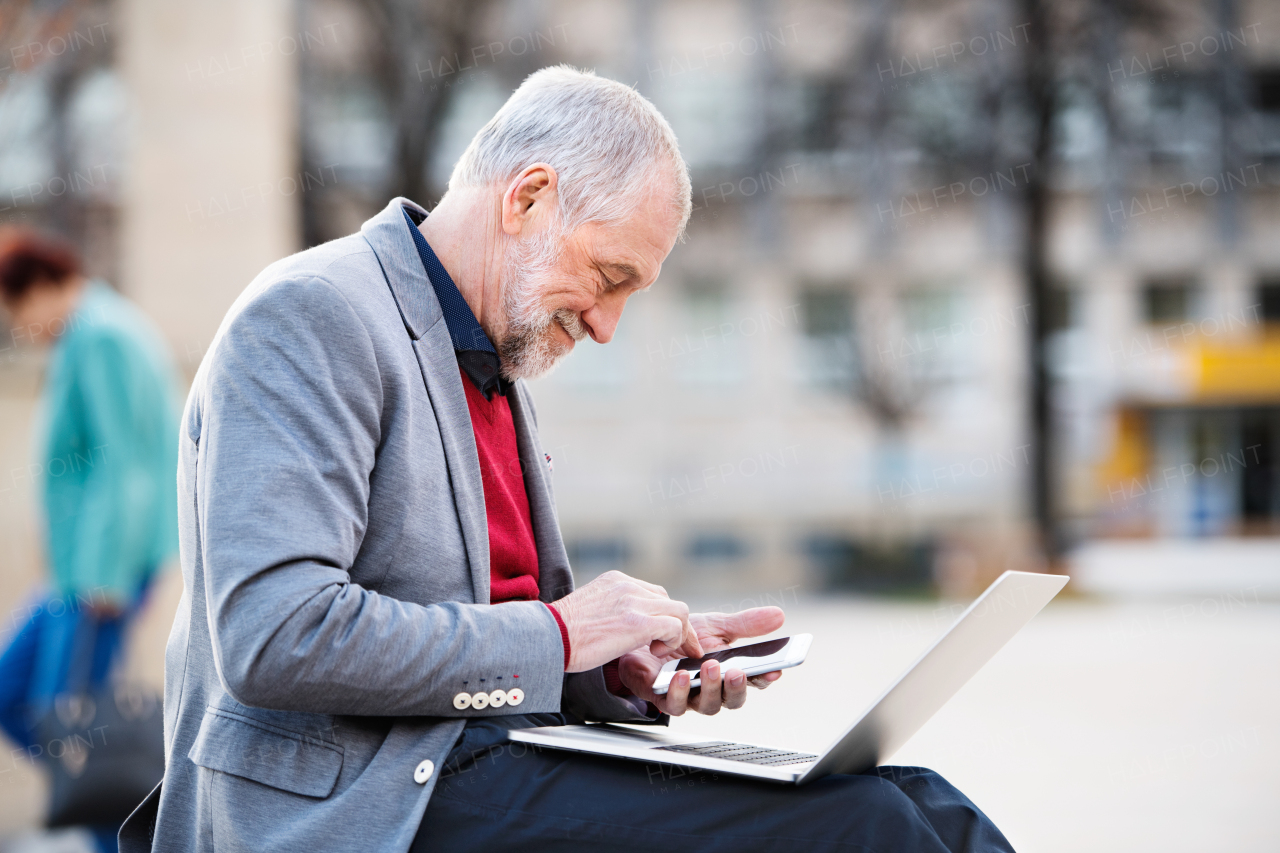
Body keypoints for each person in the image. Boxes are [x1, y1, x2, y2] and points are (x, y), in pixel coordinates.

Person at [122, 66, 1014, 852]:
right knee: (866, 830)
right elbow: (277, 634)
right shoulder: (311, 316)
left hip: (480, 761)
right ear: (528, 198)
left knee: (925, 804)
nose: (605, 323)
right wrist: (558, 634)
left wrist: (612, 669)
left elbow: (482, 630)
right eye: (610, 276)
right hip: (350, 807)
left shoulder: (492, 356)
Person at [0, 229, 178, 852]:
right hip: (76, 574)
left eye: (15, 312)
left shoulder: (100, 335)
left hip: (98, 574)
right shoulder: (89, 334)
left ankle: (130, 835)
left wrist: (107, 572)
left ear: (41, 287)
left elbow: (124, 463)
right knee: (15, 692)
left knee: (77, 734)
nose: (21, 328)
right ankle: (132, 820)